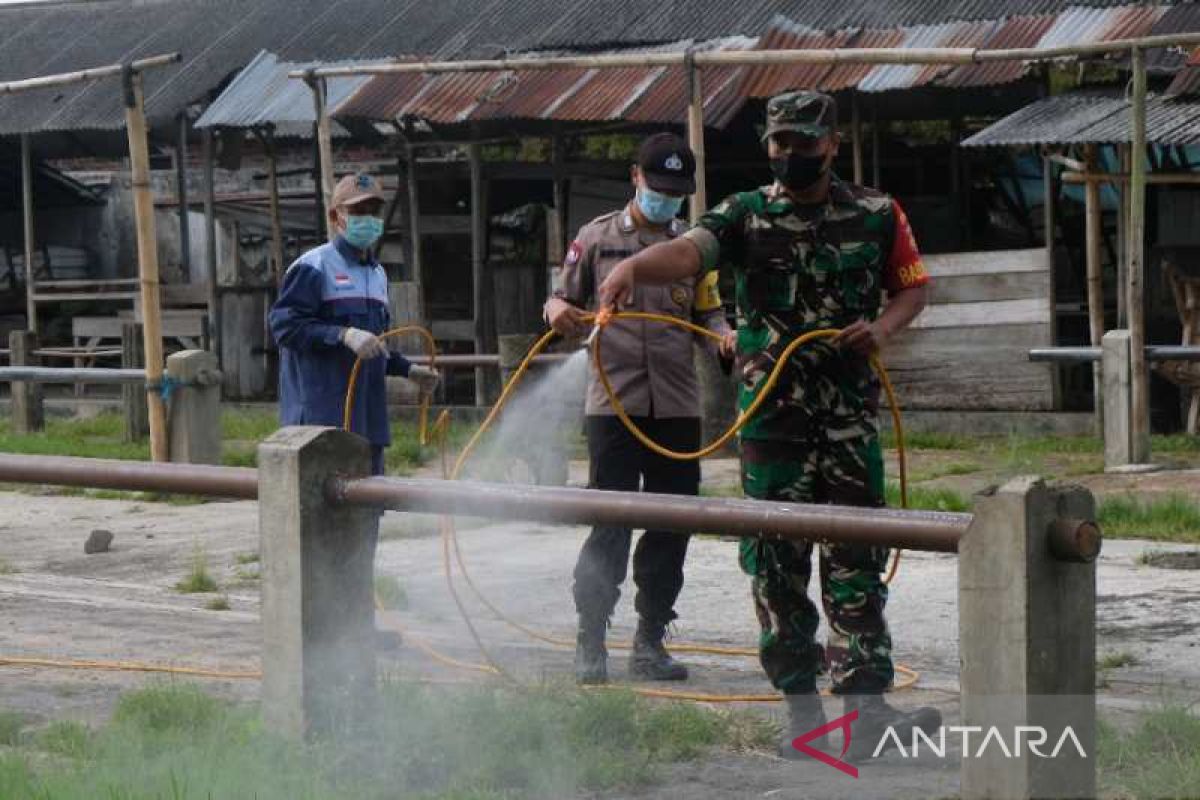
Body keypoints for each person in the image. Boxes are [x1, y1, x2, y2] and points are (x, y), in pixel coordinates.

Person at [597, 92, 941, 758]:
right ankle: (805, 722)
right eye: (780, 142)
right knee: (776, 572)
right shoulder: (745, 215)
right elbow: (690, 254)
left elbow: (913, 287)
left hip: (846, 425)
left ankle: (866, 719)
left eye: (804, 142)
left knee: (856, 569)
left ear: (831, 144)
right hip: (772, 426)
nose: (791, 154)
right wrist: (636, 267)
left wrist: (883, 329)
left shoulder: (876, 213)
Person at [545, 132, 735, 685]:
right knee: (610, 521)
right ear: (635, 178)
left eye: (677, 193)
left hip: (676, 404)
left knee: (672, 523)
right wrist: (557, 309)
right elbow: (561, 297)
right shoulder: (596, 237)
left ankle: (650, 640)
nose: (666, 200)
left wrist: (727, 340)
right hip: (612, 403)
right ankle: (591, 638)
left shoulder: (693, 249)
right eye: (658, 188)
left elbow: (709, 317)